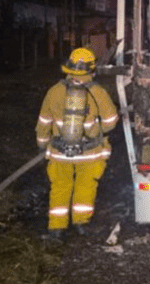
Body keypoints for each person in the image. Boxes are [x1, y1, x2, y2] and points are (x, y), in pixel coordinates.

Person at [35, 47, 119, 240]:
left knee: (60, 186)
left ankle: (56, 228)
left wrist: (42, 145)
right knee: (85, 185)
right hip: (89, 153)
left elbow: (43, 122)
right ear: (91, 69)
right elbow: (110, 122)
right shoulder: (97, 91)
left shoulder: (54, 91)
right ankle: (81, 224)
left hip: (59, 152)